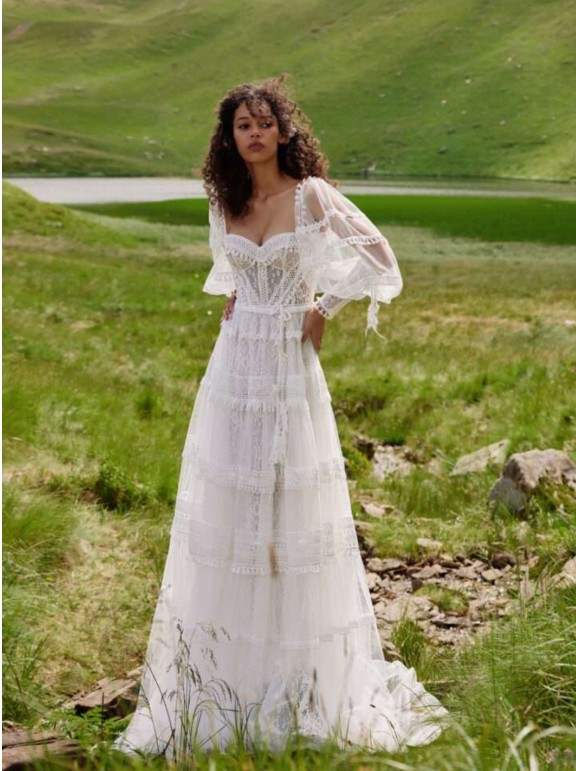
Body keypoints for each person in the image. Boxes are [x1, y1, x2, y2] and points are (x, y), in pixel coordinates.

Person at [112, 74, 449, 761]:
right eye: (243, 125)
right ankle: (227, 677)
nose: (255, 133)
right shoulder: (224, 201)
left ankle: (299, 679)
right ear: (229, 138)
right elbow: (232, 278)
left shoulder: (311, 196)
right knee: (232, 515)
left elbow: (382, 259)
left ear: (284, 131)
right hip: (234, 370)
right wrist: (242, 301)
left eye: (265, 122)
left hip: (290, 371)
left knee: (290, 516)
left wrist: (321, 305)